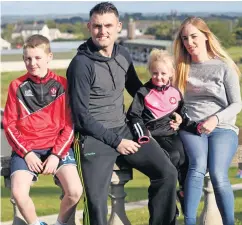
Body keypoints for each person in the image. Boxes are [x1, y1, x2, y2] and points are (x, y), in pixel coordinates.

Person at [66, 2, 179, 225]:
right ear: (89, 26)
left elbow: (138, 90)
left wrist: (172, 111)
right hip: (93, 137)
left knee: (167, 173)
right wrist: (117, 142)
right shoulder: (81, 64)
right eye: (97, 26)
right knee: (96, 202)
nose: (102, 31)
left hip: (124, 129)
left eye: (108, 25)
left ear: (118, 26)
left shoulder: (123, 54)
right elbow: (80, 117)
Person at [3, 34, 83, 225]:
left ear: (49, 57)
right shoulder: (17, 86)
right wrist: (27, 153)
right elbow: (9, 125)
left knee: (74, 192)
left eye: (37, 58)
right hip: (26, 149)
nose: (32, 63)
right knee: (18, 193)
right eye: (28, 58)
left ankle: (59, 223)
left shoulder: (63, 85)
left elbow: (70, 125)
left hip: (57, 147)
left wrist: (56, 155)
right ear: (23, 59)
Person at [173, 16, 242, 225]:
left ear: (206, 36)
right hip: (192, 128)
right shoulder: (181, 68)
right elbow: (173, 101)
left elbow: (237, 104)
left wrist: (215, 118)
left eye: (194, 36)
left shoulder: (223, 67)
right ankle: (190, 222)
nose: (189, 42)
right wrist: (176, 116)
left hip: (222, 127)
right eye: (185, 38)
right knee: (197, 166)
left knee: (219, 174)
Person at [127, 49, 188, 215]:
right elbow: (133, 116)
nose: (158, 77)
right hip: (154, 137)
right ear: (150, 72)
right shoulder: (144, 93)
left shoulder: (175, 92)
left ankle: (182, 192)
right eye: (154, 73)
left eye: (163, 73)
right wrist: (143, 136)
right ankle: (168, 202)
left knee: (184, 156)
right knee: (171, 158)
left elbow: (182, 112)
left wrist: (180, 120)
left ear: (171, 73)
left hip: (171, 134)